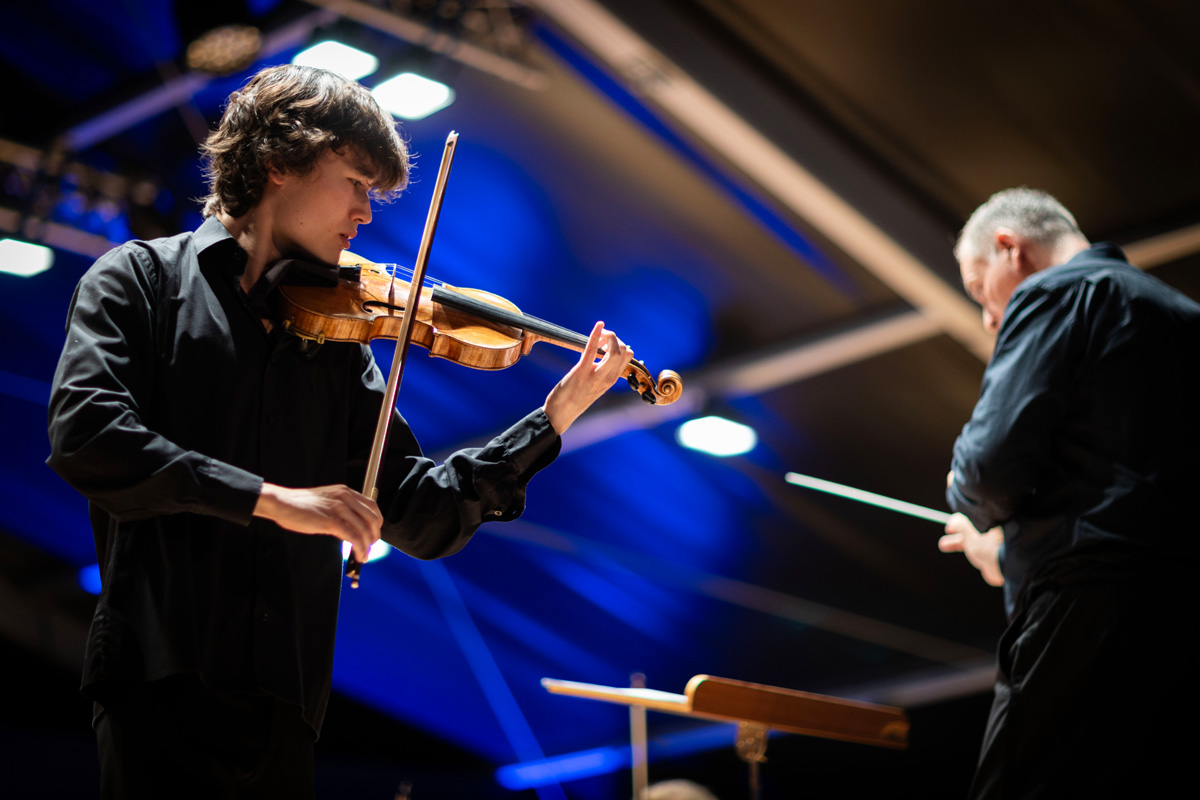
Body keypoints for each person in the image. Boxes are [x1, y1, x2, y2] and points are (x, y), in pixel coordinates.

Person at [46, 64, 632, 798]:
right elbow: (89, 434)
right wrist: (276, 500)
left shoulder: (336, 345)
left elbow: (420, 514)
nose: (365, 215)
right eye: (355, 183)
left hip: (285, 703)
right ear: (280, 162)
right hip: (161, 679)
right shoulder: (139, 281)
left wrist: (555, 416)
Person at [939, 187, 1200, 798]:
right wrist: (1006, 552)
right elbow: (1130, 487)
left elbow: (990, 467)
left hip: (1086, 613)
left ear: (1010, 249)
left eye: (979, 290)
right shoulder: (1184, 317)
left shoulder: (1058, 291)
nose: (989, 318)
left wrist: (962, 491)